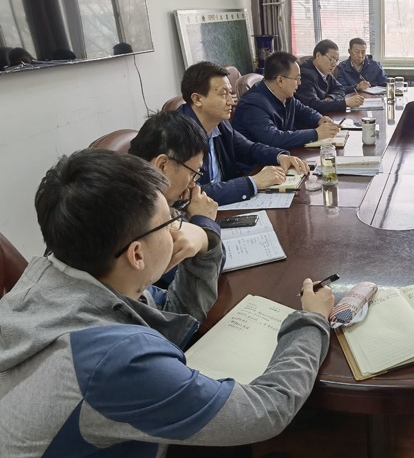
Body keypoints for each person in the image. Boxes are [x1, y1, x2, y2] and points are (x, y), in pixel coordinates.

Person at [0, 149, 334, 457]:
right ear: (137, 254)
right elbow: (266, 411)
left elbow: (173, 319)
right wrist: (312, 321)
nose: (179, 230)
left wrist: (205, 241)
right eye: (171, 221)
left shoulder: (52, 275)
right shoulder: (114, 361)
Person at [176, 61, 309, 206]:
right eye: (223, 94)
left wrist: (280, 157)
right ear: (197, 99)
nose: (231, 102)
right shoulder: (178, 135)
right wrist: (253, 182)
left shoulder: (220, 124)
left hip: (226, 204)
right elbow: (187, 195)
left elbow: (249, 149)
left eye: (230, 93)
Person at [129, 110, 221, 284]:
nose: (193, 184)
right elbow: (196, 275)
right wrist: (205, 225)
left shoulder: (135, 186)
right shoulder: (142, 216)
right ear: (162, 165)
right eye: (192, 173)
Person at [232, 52, 340, 150]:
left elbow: (304, 111)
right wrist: (315, 134)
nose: (299, 83)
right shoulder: (252, 105)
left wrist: (320, 120)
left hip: (284, 156)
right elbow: (273, 139)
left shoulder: (286, 95)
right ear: (280, 80)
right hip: (260, 163)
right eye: (297, 78)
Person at [297, 39, 364, 113]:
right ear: (318, 56)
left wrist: (330, 98)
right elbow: (313, 105)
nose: (334, 64)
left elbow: (341, 89)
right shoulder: (304, 76)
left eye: (336, 61)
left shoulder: (325, 72)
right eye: (332, 60)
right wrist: (345, 103)